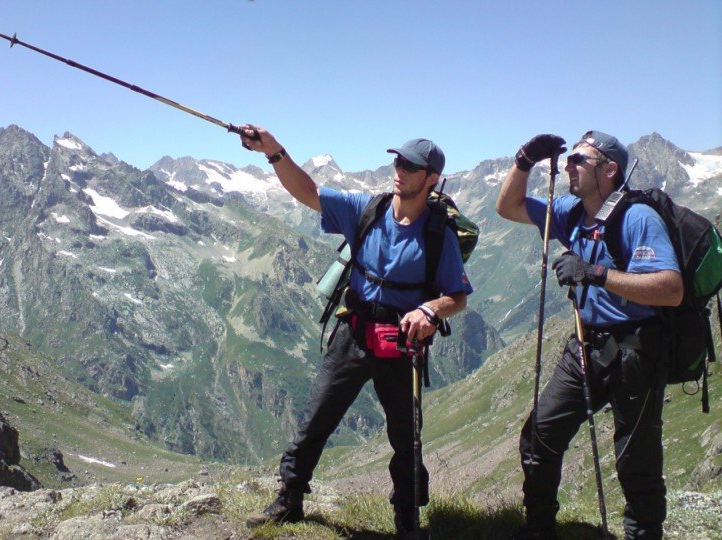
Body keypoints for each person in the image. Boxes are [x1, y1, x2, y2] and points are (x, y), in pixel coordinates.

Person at [239, 125, 472, 537]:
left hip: (403, 344)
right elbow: (309, 193)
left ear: (431, 178)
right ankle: (289, 498)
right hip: (355, 331)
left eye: (410, 165)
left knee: (406, 438)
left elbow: (457, 295)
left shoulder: (439, 235)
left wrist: (432, 310)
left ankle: (407, 520)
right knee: (315, 419)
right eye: (397, 160)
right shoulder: (368, 209)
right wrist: (274, 152)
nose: (398, 169)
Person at [495, 131, 682, 539]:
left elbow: (670, 288)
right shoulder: (569, 211)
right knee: (540, 435)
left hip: (637, 350)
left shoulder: (638, 218)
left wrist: (596, 274)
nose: (568, 165)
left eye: (580, 160)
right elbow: (507, 206)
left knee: (637, 461)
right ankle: (539, 528)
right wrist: (524, 159)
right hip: (587, 343)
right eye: (569, 159)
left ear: (610, 170)